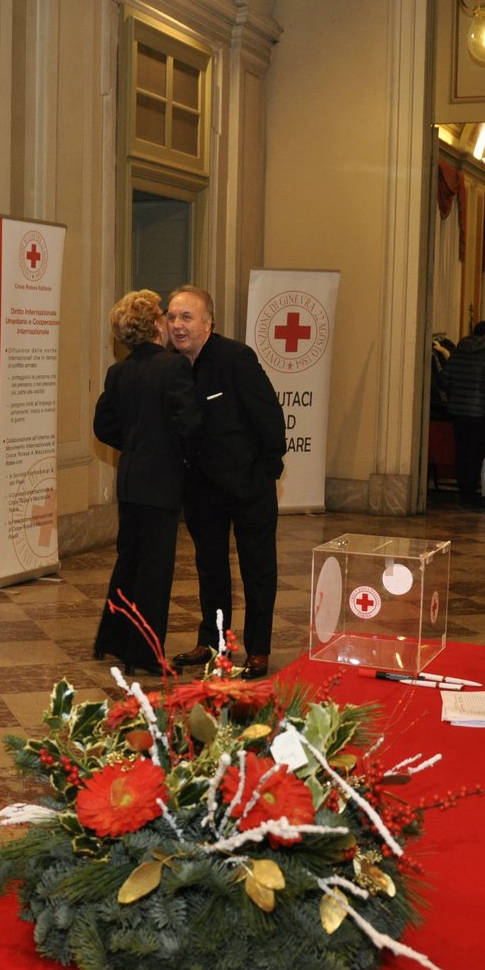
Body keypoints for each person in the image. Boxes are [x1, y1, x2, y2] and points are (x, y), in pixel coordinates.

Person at [164, 285, 286, 680]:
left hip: (249, 487)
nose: (177, 325)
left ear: (207, 323)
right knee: (210, 568)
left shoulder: (235, 358)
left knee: (258, 570)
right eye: (171, 317)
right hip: (201, 490)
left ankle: (259, 650)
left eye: (186, 317)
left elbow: (268, 417)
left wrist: (267, 470)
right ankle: (213, 643)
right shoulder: (171, 366)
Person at [92, 290, 200, 675]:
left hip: (131, 481)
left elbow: (103, 425)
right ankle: (147, 654)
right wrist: (176, 453)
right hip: (161, 483)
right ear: (155, 325)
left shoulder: (118, 372)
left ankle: (117, 641)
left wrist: (135, 444)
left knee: (129, 563)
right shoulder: (172, 367)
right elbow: (189, 423)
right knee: (155, 571)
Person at [443, 319, 485, 508]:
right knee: (475, 454)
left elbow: (445, 380)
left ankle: (462, 493)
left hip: (458, 411)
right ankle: (470, 494)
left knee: (461, 452)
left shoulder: (456, 354)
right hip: (480, 412)